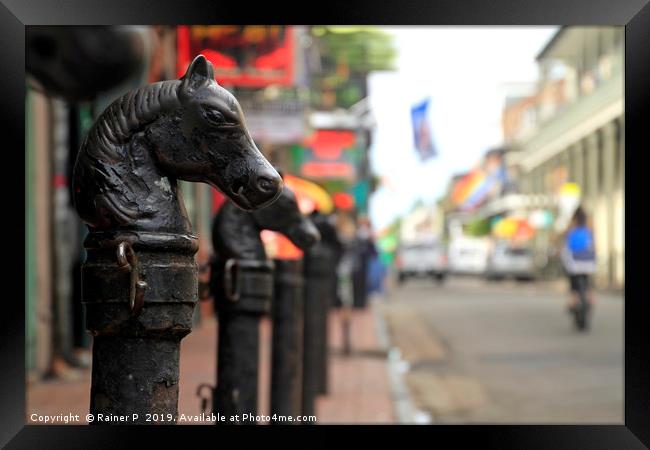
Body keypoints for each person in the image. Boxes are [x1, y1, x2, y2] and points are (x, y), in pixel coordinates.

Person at [560, 206, 597, 312]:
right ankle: (591, 297)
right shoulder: (590, 227)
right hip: (588, 260)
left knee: (573, 280)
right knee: (587, 279)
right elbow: (593, 244)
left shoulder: (571, 227)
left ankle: (573, 301)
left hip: (574, 260)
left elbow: (564, 242)